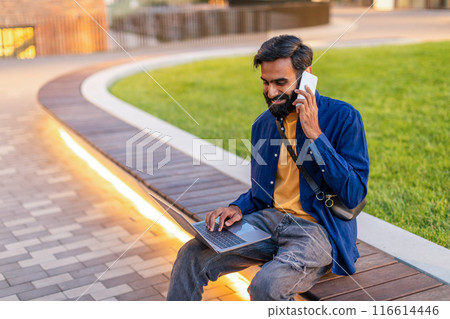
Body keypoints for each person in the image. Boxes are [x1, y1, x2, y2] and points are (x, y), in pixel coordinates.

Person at [166, 35, 369, 301]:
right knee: (191, 255)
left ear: (306, 76)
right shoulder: (263, 125)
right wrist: (237, 208)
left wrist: (316, 134)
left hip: (317, 229)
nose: (271, 92)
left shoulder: (343, 117)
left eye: (280, 82)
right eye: (265, 82)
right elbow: (261, 194)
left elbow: (354, 193)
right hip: (269, 221)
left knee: (266, 285)